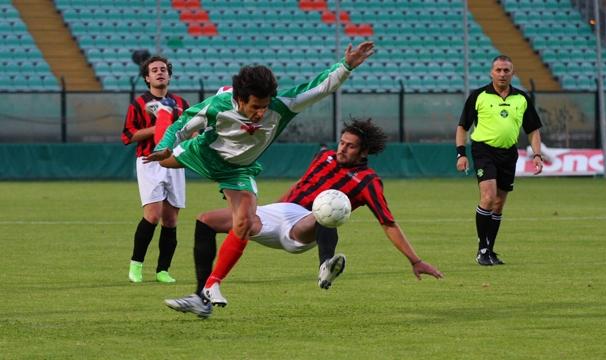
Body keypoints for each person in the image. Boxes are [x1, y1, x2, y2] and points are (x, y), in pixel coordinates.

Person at [144, 41, 375, 304]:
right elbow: (181, 126)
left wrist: (346, 66)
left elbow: (320, 87)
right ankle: (162, 111)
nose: (261, 112)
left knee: (244, 221)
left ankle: (210, 288)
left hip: (237, 171)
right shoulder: (218, 106)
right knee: (162, 160)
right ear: (239, 99)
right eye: (255, 106)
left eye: (264, 105)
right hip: (203, 155)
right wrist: (164, 146)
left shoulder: (280, 107)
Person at [164, 119, 444, 318]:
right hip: (281, 212)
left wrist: (415, 260)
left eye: (350, 146)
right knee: (206, 220)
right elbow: (301, 184)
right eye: (342, 142)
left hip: (307, 225)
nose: (342, 148)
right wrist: (271, 208)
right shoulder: (324, 156)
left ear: (364, 152)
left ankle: (325, 265)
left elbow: (388, 223)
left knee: (327, 206)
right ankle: (201, 297)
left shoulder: (368, 181)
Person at [455, 55, 543, 266]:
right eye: (498, 70)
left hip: (508, 153)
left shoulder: (521, 99)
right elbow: (462, 127)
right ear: (491, 72)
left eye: (506, 70)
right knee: (488, 196)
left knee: (499, 204)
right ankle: (481, 250)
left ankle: (490, 250)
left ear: (512, 73)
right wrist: (461, 153)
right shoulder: (478, 96)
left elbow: (533, 130)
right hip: (483, 150)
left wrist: (537, 154)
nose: (502, 74)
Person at [121, 55, 190, 283]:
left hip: (175, 161)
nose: (160, 72)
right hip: (149, 161)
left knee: (170, 220)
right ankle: (136, 266)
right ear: (147, 77)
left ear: (169, 75)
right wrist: (159, 126)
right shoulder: (139, 104)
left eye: (163, 69)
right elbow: (128, 135)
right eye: (154, 70)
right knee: (152, 215)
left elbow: (192, 130)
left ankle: (162, 270)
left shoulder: (181, 103)